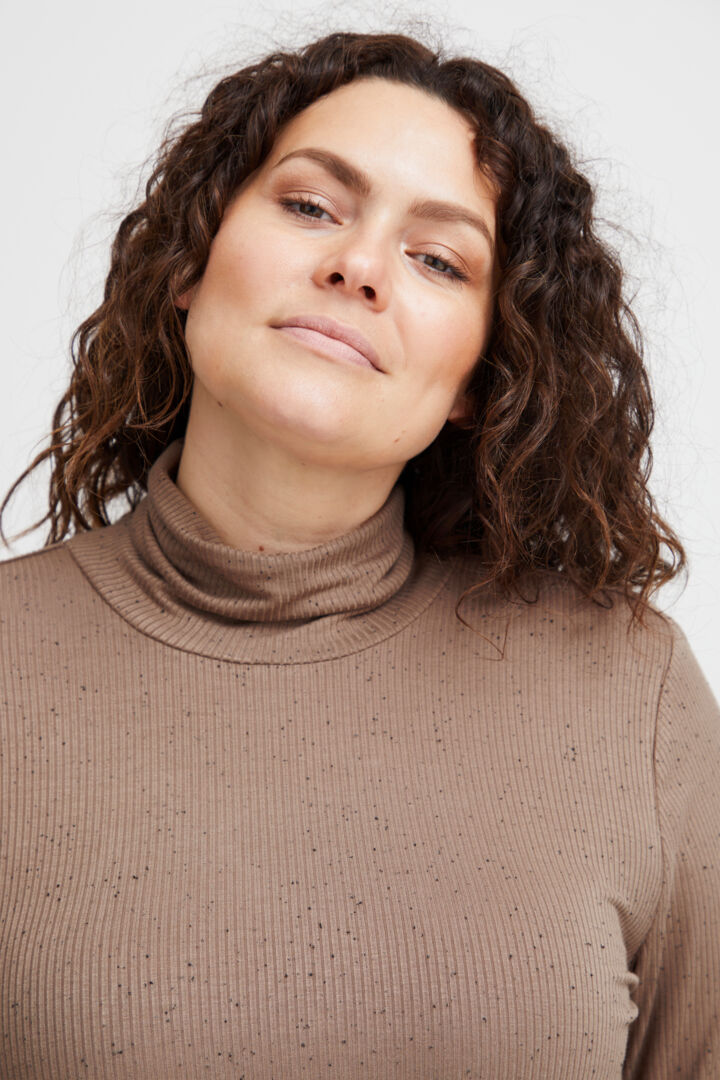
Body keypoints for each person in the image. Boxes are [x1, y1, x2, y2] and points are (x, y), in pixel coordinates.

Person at [1, 29, 718, 1080]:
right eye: (310, 206)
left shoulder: (629, 693)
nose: (359, 266)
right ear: (191, 261)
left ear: (481, 375)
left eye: (438, 260)